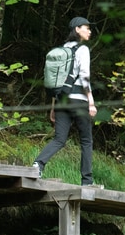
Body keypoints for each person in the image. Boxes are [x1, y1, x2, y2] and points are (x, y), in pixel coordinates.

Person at [31, 17, 99, 186]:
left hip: (62, 100)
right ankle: (87, 181)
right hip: (78, 100)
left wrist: (53, 106)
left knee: (59, 139)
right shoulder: (82, 49)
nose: (89, 31)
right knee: (86, 141)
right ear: (77, 29)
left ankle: (38, 164)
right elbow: (84, 75)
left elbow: (58, 80)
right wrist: (91, 101)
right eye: (87, 28)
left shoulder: (63, 49)